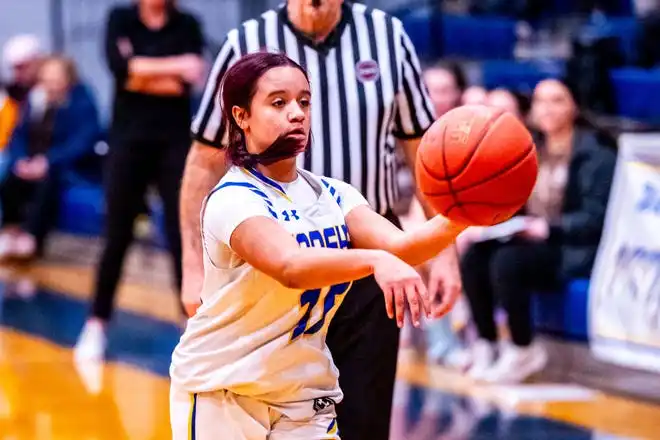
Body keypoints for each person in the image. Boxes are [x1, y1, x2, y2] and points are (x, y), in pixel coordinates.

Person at [179, 1, 464, 438]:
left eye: (304, 102)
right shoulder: (233, 199)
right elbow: (292, 267)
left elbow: (404, 247)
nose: (297, 113)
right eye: (278, 102)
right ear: (241, 117)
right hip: (229, 391)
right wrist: (375, 262)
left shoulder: (335, 193)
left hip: (299, 396)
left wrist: (465, 216)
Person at [458, 78, 616, 383]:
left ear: (574, 106)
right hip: (531, 239)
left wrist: (549, 227)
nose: (547, 108)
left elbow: (597, 218)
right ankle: (487, 343)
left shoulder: (596, 153)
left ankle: (523, 347)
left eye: (557, 100)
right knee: (476, 255)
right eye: (541, 100)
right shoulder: (529, 148)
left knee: (508, 261)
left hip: (574, 247)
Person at [74, 0, 205, 360]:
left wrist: (141, 70)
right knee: (117, 234)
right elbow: (120, 71)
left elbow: (188, 80)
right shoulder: (120, 18)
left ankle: (192, 326)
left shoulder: (187, 24)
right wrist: (168, 68)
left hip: (174, 142)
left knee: (183, 235)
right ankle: (96, 324)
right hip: (127, 141)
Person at [0, 56, 101, 260]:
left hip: (66, 166)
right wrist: (21, 160)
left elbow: (83, 141)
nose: (51, 85)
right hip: (34, 162)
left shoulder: (81, 101)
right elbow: (18, 135)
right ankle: (10, 232)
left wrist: (48, 162)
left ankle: (32, 237)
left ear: (68, 78)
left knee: (48, 181)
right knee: (11, 176)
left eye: (56, 79)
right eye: (47, 79)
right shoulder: (35, 99)